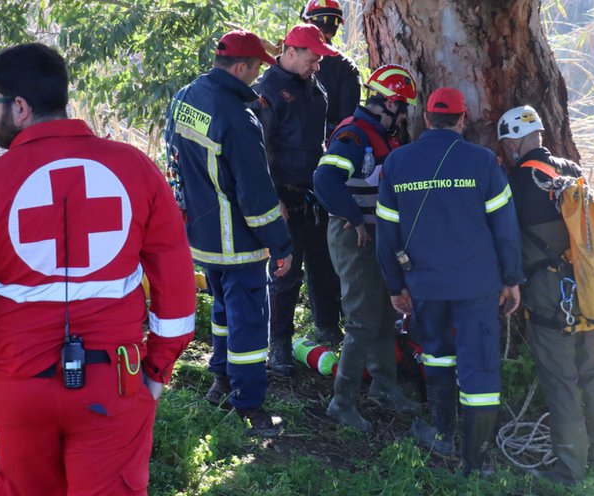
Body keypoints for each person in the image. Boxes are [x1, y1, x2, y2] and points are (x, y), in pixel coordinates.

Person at [0, 43, 196, 494]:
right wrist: (158, 370)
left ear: (20, 107)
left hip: (18, 382)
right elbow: (175, 277)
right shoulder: (135, 168)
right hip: (115, 381)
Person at [376, 87, 523, 475]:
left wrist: (395, 286)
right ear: (462, 119)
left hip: (424, 286)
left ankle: (443, 435)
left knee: (437, 355)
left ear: (426, 118)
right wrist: (511, 278)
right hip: (476, 286)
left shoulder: (397, 162)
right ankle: (476, 463)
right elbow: (506, 228)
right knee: (480, 369)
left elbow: (385, 235)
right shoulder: (483, 161)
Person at [165, 30, 294, 436]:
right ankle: (249, 405)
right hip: (239, 243)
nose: (258, 77)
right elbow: (255, 195)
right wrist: (280, 243)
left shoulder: (185, 97)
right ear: (240, 68)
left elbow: (174, 161)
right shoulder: (238, 119)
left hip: (202, 236)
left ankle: (220, 380)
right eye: (255, 69)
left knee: (223, 311)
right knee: (249, 324)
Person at [498, 105, 594, 485]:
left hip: (549, 296)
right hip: (589, 291)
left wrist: (508, 282)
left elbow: (508, 241)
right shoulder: (572, 171)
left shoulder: (516, 183)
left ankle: (569, 469)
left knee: (562, 382)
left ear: (511, 144)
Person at [314, 65, 421, 431]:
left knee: (385, 312)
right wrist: (354, 217)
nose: (404, 116)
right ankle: (341, 402)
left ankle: (384, 387)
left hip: (378, 236)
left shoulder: (382, 135)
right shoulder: (354, 134)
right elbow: (325, 179)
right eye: (402, 107)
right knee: (361, 319)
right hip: (354, 236)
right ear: (388, 103)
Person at [251, 23, 343, 369]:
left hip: (313, 193)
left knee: (324, 264)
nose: (316, 66)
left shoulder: (315, 87)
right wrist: (272, 197)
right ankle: (278, 346)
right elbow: (258, 152)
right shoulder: (266, 92)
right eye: (312, 59)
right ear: (291, 52)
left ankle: (328, 328)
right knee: (285, 273)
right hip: (283, 196)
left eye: (319, 60)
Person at [301, 0, 361, 143]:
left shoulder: (293, 59)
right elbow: (349, 118)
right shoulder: (347, 67)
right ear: (337, 27)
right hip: (332, 142)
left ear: (308, 22)